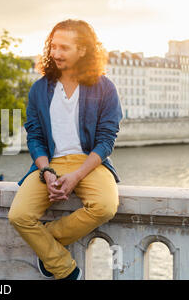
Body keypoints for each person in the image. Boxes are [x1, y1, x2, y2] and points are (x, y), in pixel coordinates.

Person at [8, 19, 122, 280]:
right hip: (51, 163)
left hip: (90, 163)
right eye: (53, 46)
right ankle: (65, 269)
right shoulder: (39, 89)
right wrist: (47, 171)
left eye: (64, 48)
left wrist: (77, 176)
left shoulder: (105, 88)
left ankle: (47, 238)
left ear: (83, 50)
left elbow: (106, 140)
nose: (55, 53)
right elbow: (34, 137)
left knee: (105, 206)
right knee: (19, 215)